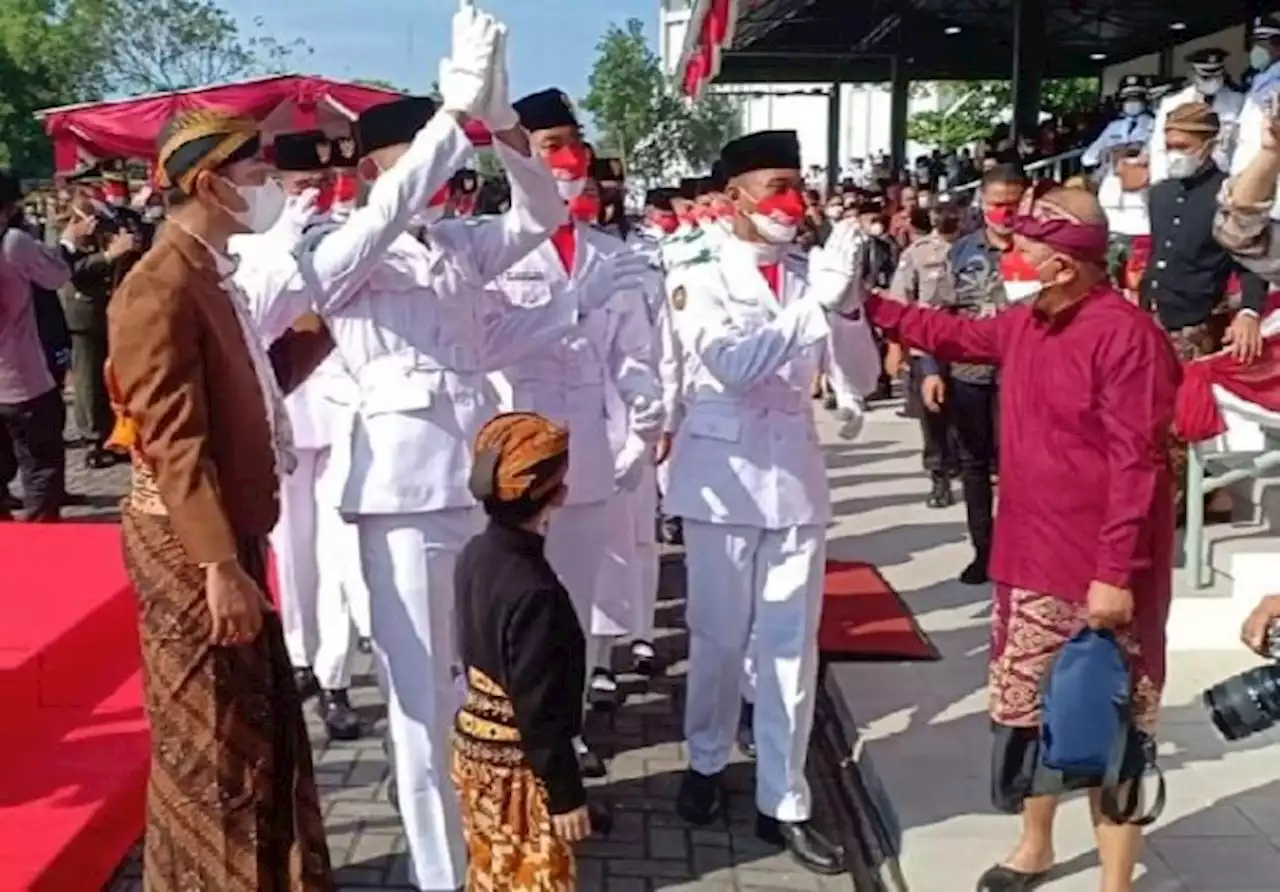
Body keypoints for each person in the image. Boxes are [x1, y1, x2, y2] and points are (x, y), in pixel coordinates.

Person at [864, 185, 1179, 892]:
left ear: (1065, 262)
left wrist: (1114, 572)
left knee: (1111, 725)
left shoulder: (1128, 337)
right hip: (1028, 553)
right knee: (1031, 713)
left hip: (1103, 566)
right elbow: (957, 337)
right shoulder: (1027, 321)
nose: (1016, 253)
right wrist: (868, 305)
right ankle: (1034, 846)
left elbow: (1140, 466)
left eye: (1029, 245)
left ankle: (1115, 882)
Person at [105, 109, 335, 891]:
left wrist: (312, 332)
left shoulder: (210, 272)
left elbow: (240, 394)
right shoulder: (156, 286)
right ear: (209, 185)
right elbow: (172, 439)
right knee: (210, 742)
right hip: (188, 543)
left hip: (229, 530)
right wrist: (216, 564)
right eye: (257, 176)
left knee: (254, 727)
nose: (269, 189)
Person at [665, 129, 867, 875]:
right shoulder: (696, 268)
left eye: (797, 185)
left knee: (789, 649)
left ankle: (785, 798)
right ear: (732, 199)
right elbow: (734, 364)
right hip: (721, 479)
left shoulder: (815, 272)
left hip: (795, 479)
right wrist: (818, 305)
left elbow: (862, 374)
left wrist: (846, 310)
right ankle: (706, 760)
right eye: (774, 187)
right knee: (718, 638)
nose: (791, 202)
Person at [493, 86, 661, 737]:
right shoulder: (491, 249)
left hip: (590, 446)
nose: (567, 161)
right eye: (549, 148)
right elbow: (484, 352)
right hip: (513, 446)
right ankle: (514, 733)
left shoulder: (615, 256)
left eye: (574, 146)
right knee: (516, 601)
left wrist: (640, 423)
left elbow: (633, 356)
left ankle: (566, 731)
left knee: (579, 598)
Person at [453, 411, 589, 892]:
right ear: (555, 496)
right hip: (518, 769)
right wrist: (566, 795)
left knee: (491, 872)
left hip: (475, 752)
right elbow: (539, 709)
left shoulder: (475, 554)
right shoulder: (537, 592)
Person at [1145, 102, 1270, 520]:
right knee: (1149, 414)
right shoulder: (1160, 193)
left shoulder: (1227, 194)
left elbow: (1248, 258)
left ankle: (1180, 506)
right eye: (1169, 144)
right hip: (1157, 316)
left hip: (1199, 320)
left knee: (1183, 418)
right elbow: (1158, 255)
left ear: (1208, 144)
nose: (1174, 152)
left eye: (1183, 145)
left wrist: (1250, 311)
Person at [0, 170, 72, 522]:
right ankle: (42, 539)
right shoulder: (13, 242)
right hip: (21, 376)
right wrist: (66, 242)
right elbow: (57, 275)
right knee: (40, 466)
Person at [1148, 48, 1244, 184]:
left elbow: (1242, 144)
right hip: (1182, 175)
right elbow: (1159, 146)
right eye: (1205, 77)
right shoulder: (1173, 102)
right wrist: (1159, 183)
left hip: (1223, 177)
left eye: (1217, 76)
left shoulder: (1238, 101)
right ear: (1193, 74)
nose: (1212, 81)